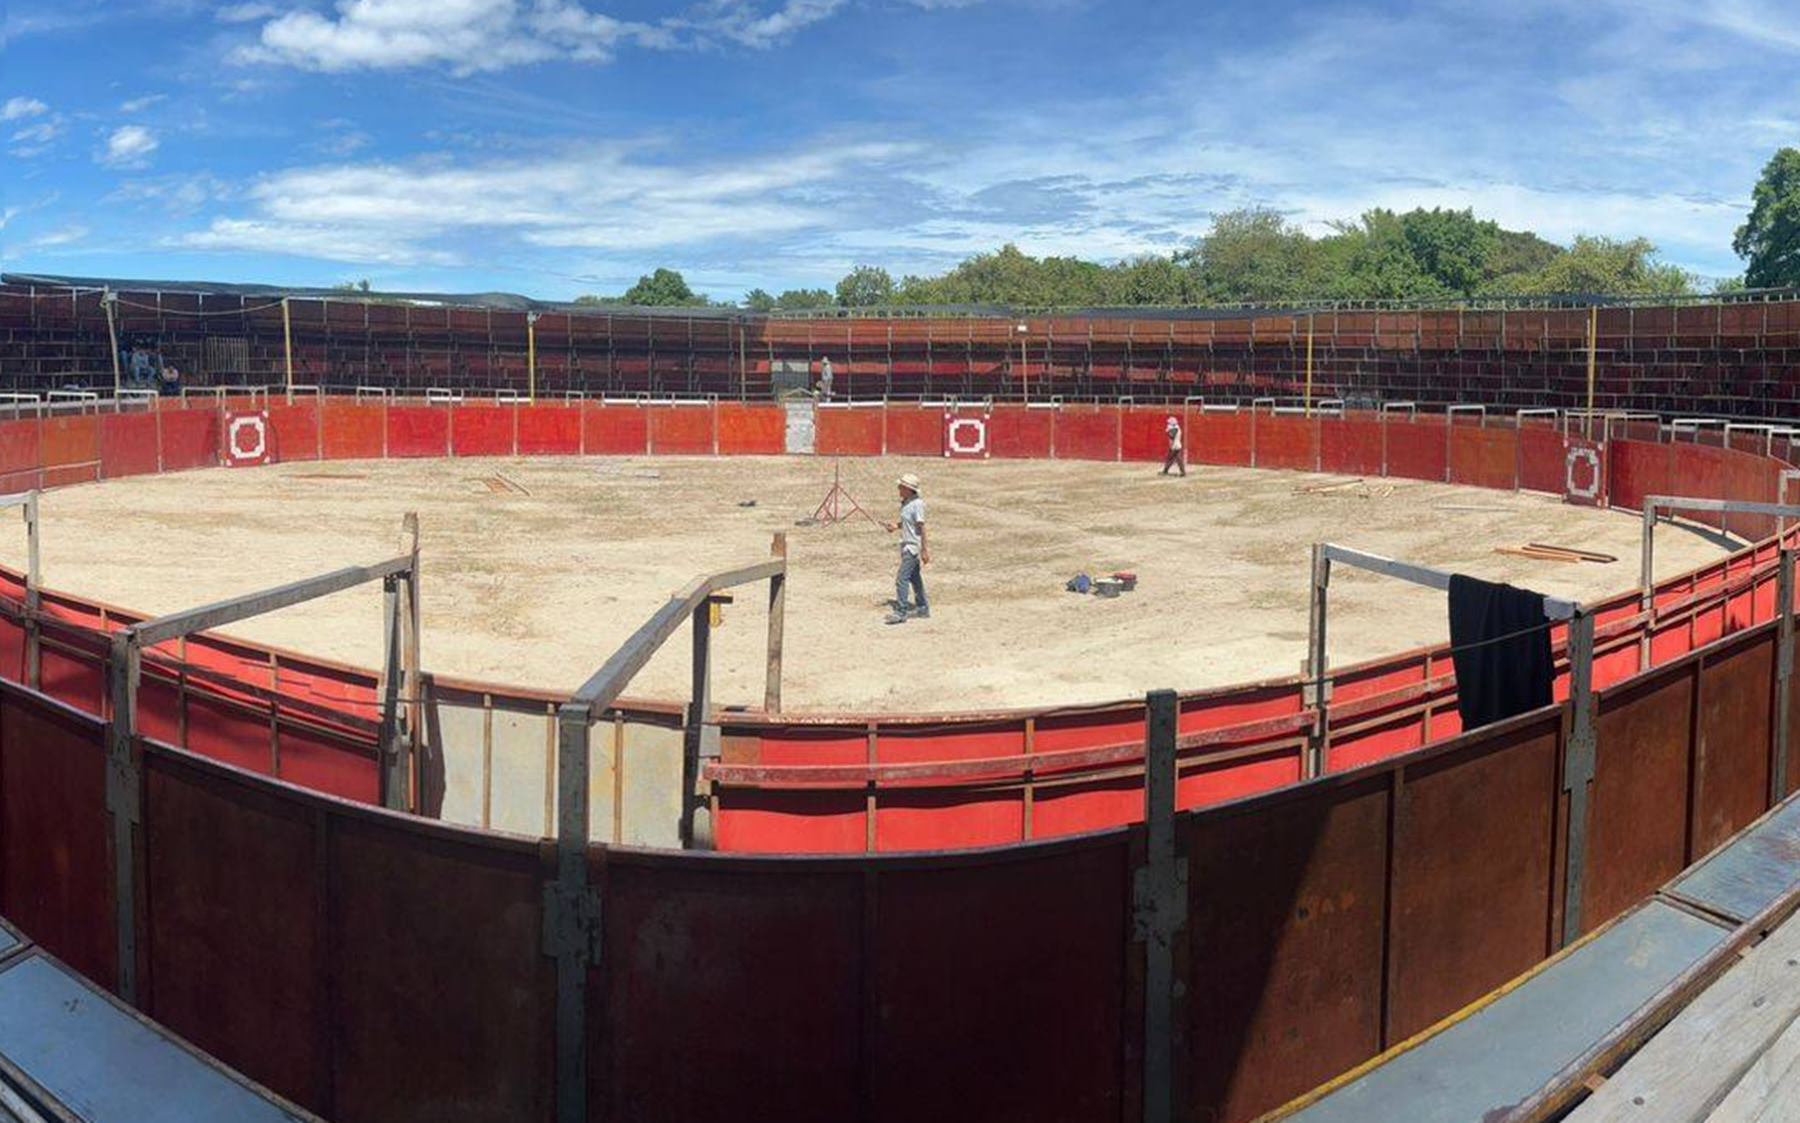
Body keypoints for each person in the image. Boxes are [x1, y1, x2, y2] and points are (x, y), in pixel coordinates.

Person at [882, 473, 929, 624]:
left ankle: (901, 612)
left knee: (901, 579)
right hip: (906, 545)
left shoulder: (917, 504)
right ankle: (923, 608)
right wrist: (896, 526)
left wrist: (924, 549)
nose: (898, 489)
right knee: (915, 579)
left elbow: (921, 527)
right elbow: (909, 524)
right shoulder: (906, 503)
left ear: (909, 489)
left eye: (901, 487)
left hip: (912, 547)